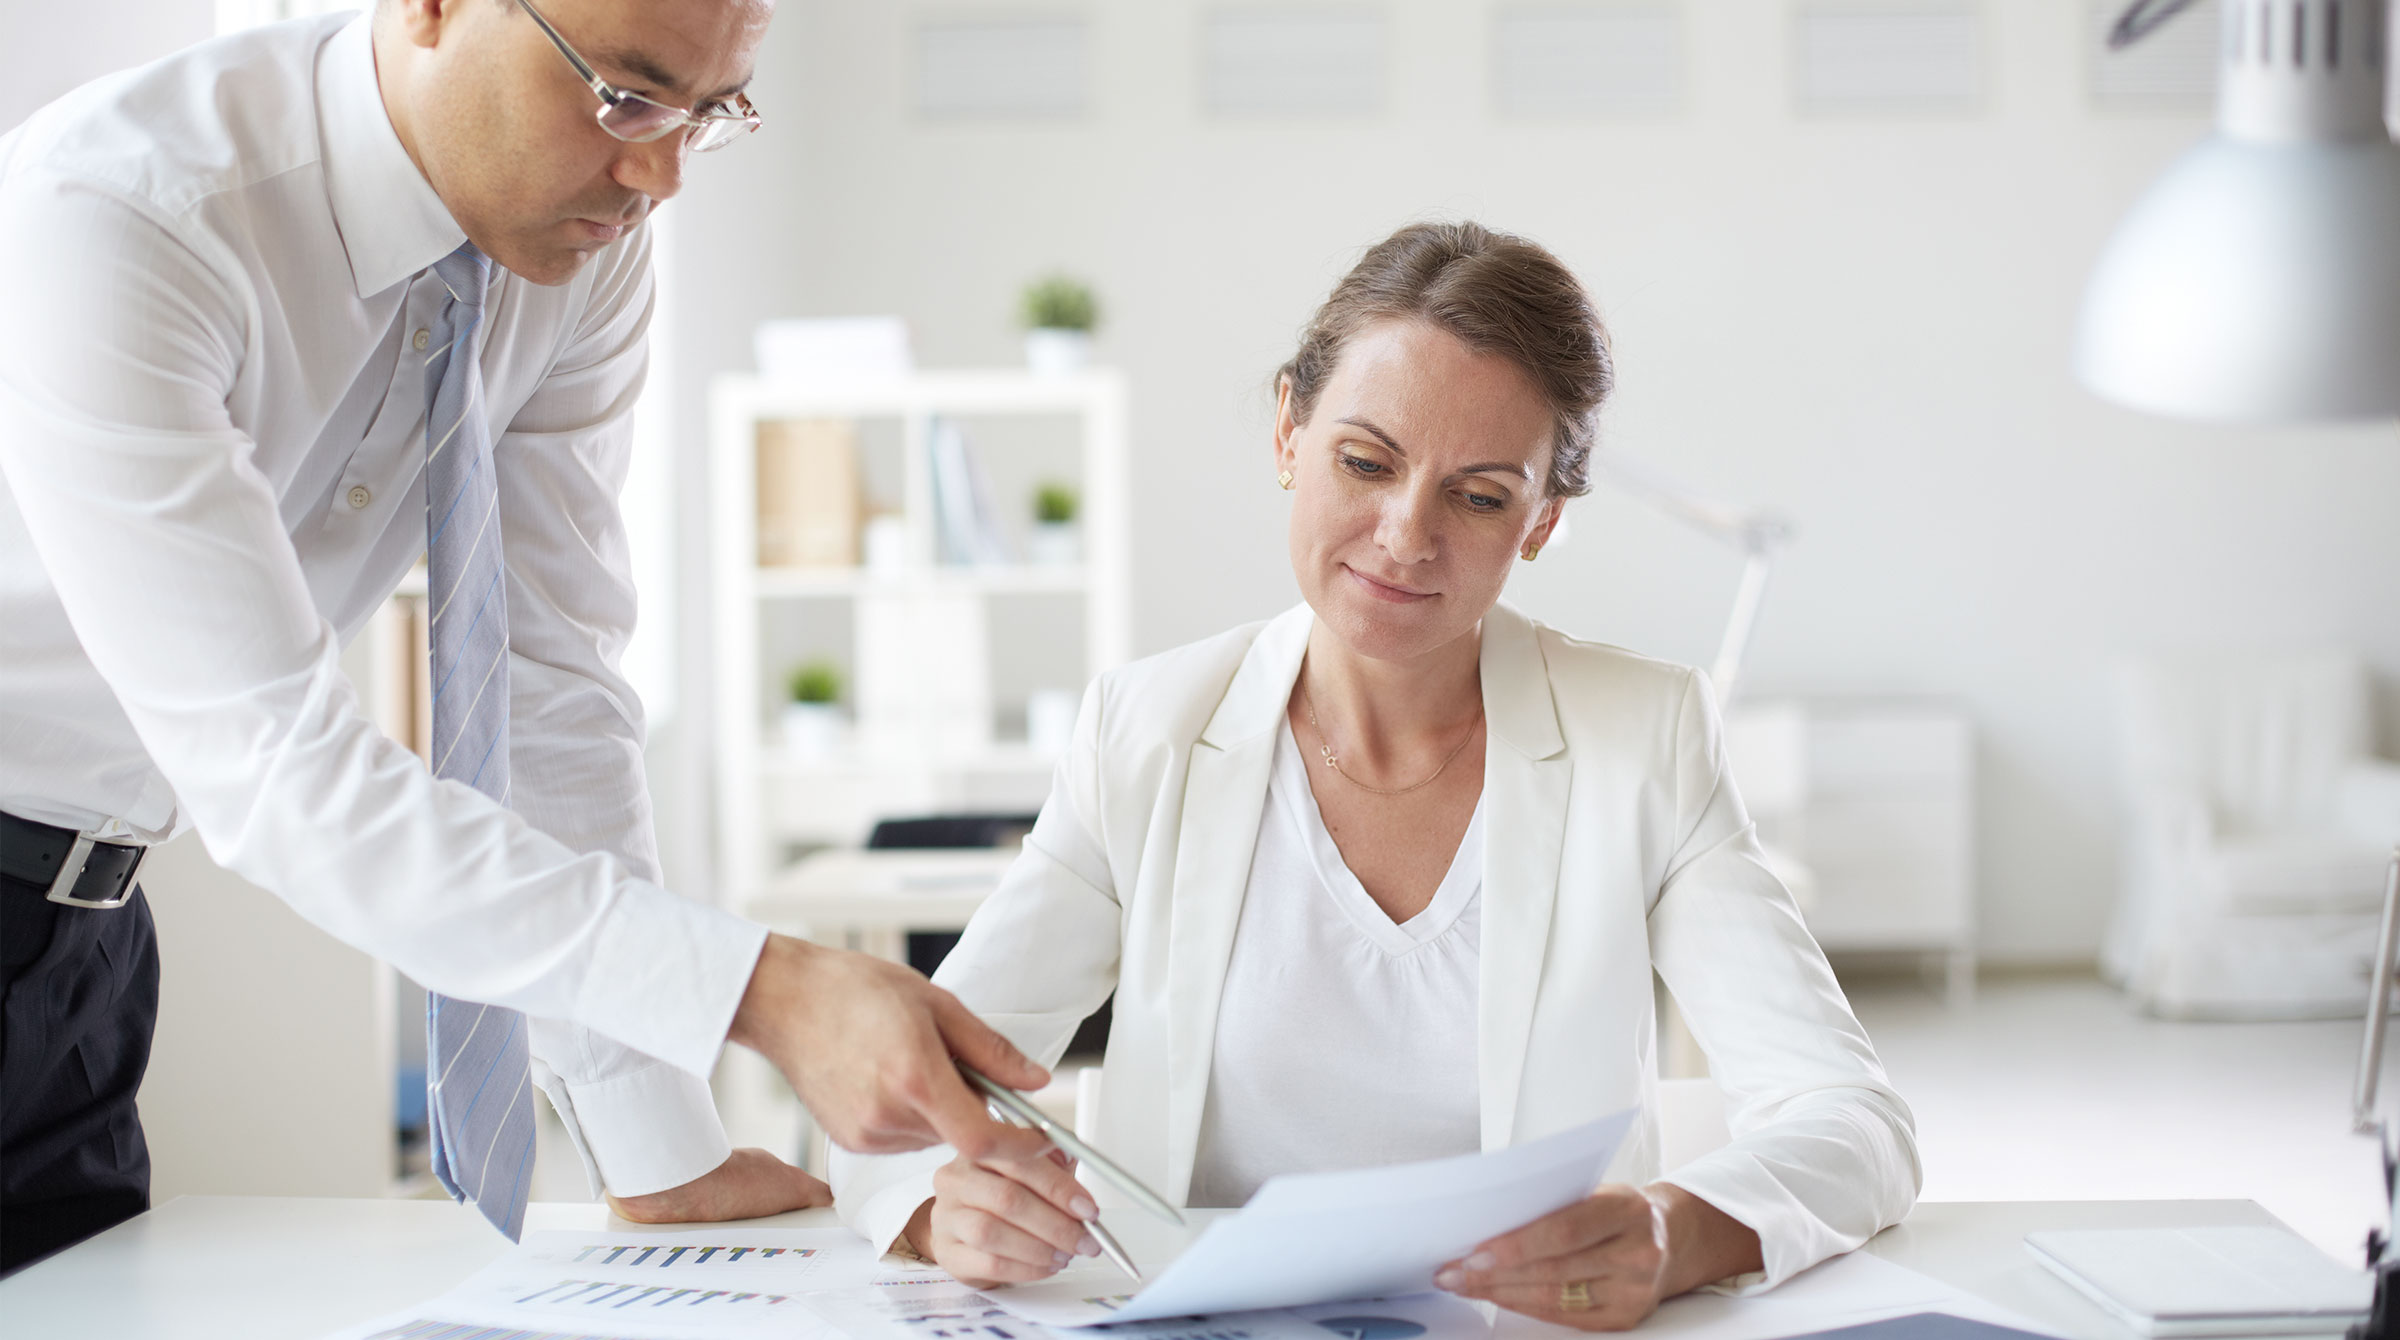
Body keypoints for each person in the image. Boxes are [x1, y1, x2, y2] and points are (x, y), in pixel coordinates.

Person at [0, 0, 1049, 1275]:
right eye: (627, 95)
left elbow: (548, 686)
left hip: (87, 939)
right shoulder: (125, 214)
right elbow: (276, 764)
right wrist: (759, 987)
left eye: (708, 115)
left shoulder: (582, 254)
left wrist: (659, 1149)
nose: (659, 175)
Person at [830, 222, 1921, 1330]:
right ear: (1289, 436)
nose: (1406, 535)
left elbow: (1854, 1120)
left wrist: (1677, 1229)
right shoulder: (1148, 732)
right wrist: (938, 1206)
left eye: (1481, 495)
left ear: (1541, 523)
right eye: (1366, 461)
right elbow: (901, 1089)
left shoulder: (1645, 738)